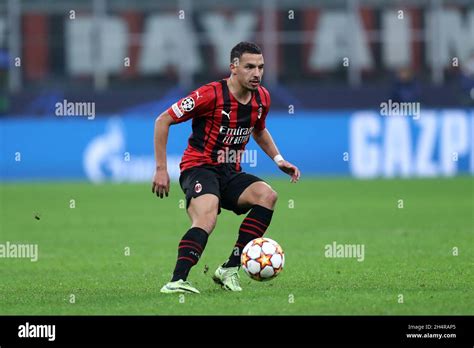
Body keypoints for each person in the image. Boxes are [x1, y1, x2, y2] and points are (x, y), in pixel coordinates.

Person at [152, 41, 300, 293]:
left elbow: (259, 129)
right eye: (249, 67)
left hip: (230, 172)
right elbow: (163, 120)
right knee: (207, 215)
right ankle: (177, 281)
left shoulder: (262, 98)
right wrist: (161, 168)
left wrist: (278, 159)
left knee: (267, 196)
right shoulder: (209, 95)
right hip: (198, 167)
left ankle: (229, 268)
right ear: (233, 67)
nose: (257, 73)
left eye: (261, 67)